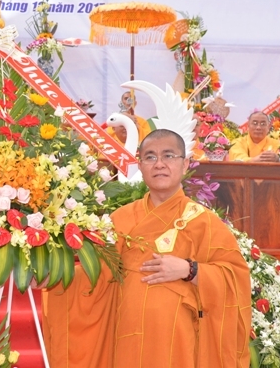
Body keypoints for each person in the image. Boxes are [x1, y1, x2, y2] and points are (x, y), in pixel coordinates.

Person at [42, 129, 252, 368]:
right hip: (128, 337)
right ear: (140, 165)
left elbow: (235, 278)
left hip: (179, 342)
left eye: (168, 156)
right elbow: (97, 274)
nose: (159, 164)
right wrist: (55, 277)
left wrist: (189, 270)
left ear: (185, 164)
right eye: (150, 157)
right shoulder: (121, 218)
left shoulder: (204, 222)